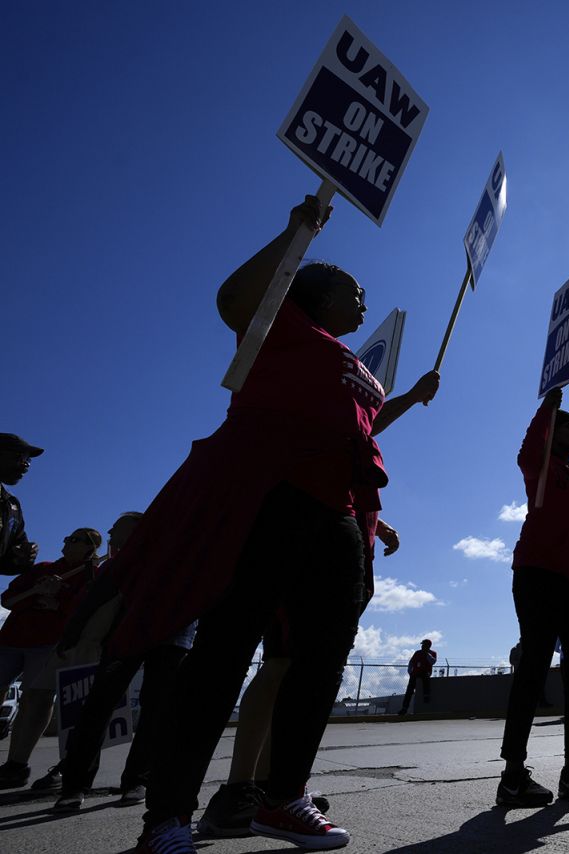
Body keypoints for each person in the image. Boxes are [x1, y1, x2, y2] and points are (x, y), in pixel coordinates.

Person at [108, 195, 442, 854]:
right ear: (312, 296)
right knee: (225, 651)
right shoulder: (280, 330)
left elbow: (361, 429)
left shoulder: (354, 366)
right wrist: (298, 234)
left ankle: (285, 796)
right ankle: (167, 816)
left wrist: (409, 398)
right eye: (352, 288)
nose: (364, 294)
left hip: (339, 514)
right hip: (271, 500)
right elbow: (234, 299)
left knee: (318, 659)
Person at [193, 517, 398, 838]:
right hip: (314, 536)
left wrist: (378, 526)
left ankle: (267, 785)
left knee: (297, 668)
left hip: (351, 547)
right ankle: (237, 791)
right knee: (283, 661)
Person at [47, 512, 197, 810]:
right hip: (125, 639)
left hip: (171, 638)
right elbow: (94, 601)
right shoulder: (119, 564)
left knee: (155, 709)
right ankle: (75, 785)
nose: (111, 532)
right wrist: (72, 634)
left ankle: (137, 780)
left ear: (138, 531)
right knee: (97, 707)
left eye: (117, 528)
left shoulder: (176, 557)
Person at [496, 387, 569, 807]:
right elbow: (527, 448)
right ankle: (513, 773)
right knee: (534, 667)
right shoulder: (539, 466)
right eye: (567, 428)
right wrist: (548, 407)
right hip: (538, 572)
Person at [0, 526, 101, 788]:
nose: (68, 542)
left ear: (90, 548)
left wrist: (60, 598)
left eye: (76, 540)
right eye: (68, 537)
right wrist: (38, 591)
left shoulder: (92, 576)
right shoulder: (43, 568)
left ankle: (16, 764)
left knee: (37, 699)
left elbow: (87, 611)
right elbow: (8, 599)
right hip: (11, 640)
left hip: (48, 645)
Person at [0, 434, 41, 576]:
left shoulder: (12, 505)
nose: (25, 465)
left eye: (28, 460)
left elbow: (6, 562)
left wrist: (23, 557)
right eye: (19, 457)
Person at [400, 638, 438, 715]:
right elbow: (411, 662)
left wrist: (427, 653)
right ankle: (404, 708)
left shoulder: (432, 653)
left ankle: (426, 696)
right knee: (409, 690)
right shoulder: (417, 653)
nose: (422, 646)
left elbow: (432, 662)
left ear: (428, 646)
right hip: (415, 673)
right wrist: (410, 671)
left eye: (423, 645)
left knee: (426, 680)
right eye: (422, 645)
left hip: (425, 673)